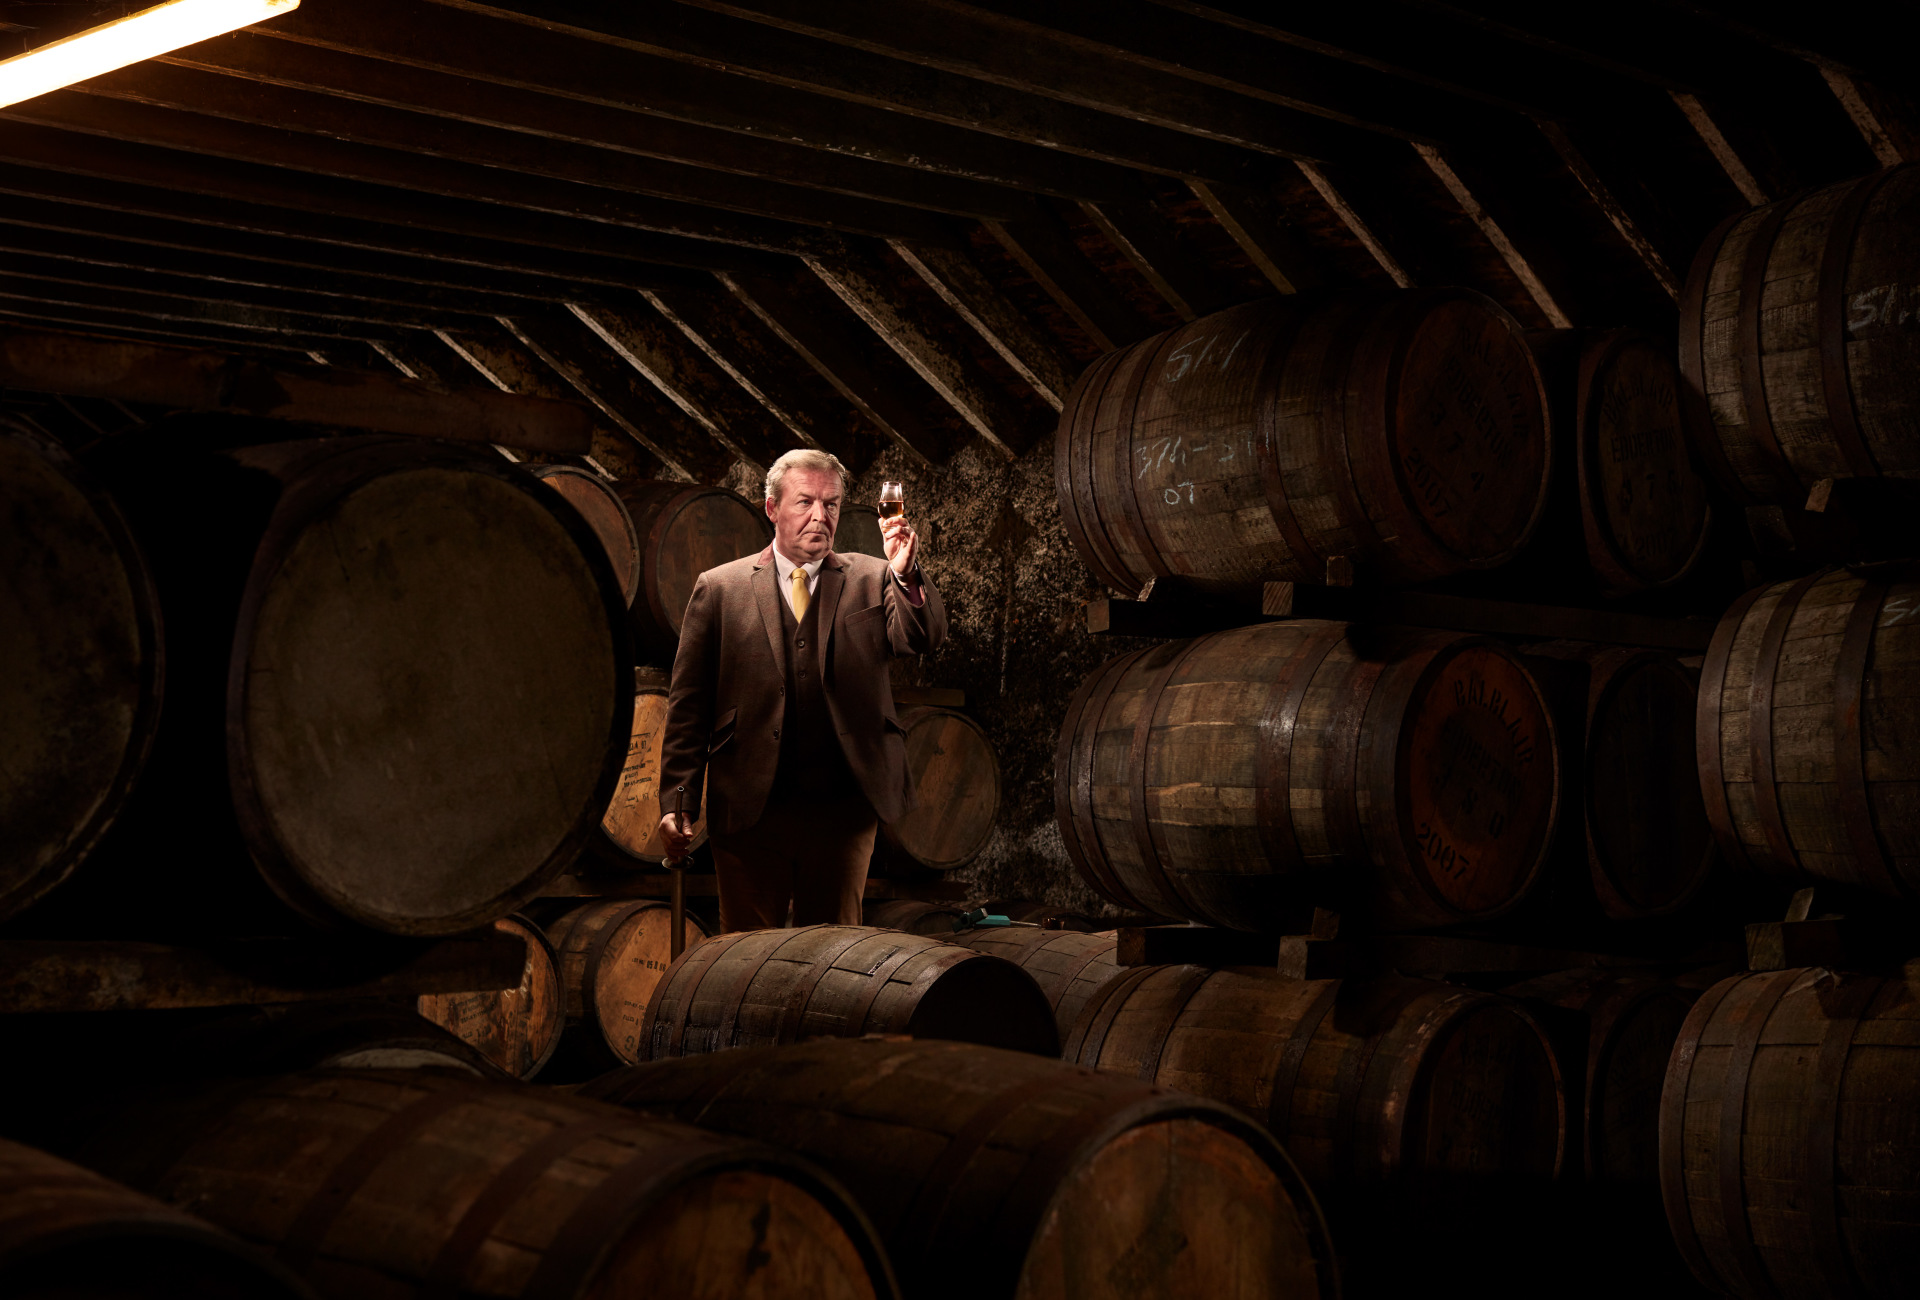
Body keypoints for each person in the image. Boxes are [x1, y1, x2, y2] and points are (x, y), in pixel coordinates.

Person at [655, 448, 946, 931]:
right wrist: (678, 802)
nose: (820, 516)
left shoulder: (875, 577)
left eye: (830, 504)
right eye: (805, 502)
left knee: (833, 959)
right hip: (750, 808)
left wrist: (904, 572)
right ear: (772, 508)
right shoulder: (719, 589)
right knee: (747, 959)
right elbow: (689, 708)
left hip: (842, 810)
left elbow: (922, 637)